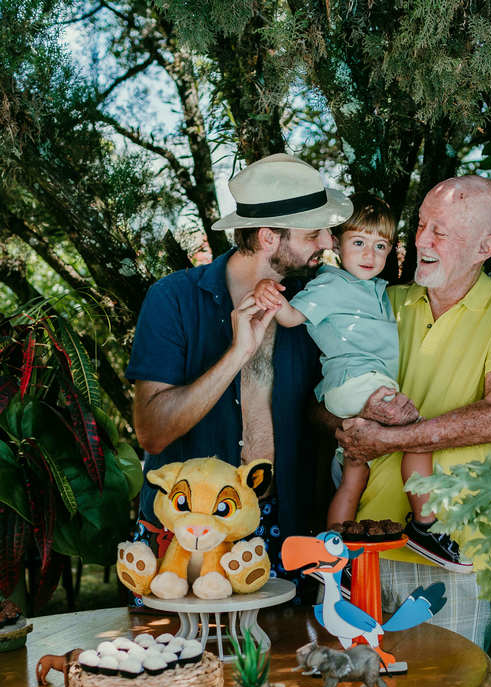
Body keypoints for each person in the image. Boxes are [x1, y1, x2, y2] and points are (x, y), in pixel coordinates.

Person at [126, 153, 352, 602]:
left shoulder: (321, 300)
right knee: (184, 665)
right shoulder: (172, 299)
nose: (328, 241)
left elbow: (324, 402)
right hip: (187, 537)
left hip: (293, 528)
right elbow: (151, 433)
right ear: (269, 237)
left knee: (294, 665)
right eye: (313, 233)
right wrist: (237, 353)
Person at [337, 175, 491, 647]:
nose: (421, 241)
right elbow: (322, 402)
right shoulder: (381, 300)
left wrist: (389, 440)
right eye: (421, 225)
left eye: (441, 232)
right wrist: (346, 426)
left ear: (484, 248)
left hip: (454, 555)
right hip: (362, 545)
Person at [252, 195, 433, 528]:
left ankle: (337, 547)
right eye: (360, 242)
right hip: (357, 383)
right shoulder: (331, 283)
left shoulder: (372, 289)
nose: (370, 254)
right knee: (419, 436)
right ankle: (427, 524)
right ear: (336, 243)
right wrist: (270, 294)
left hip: (350, 387)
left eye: (381, 247)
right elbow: (292, 317)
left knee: (355, 468)